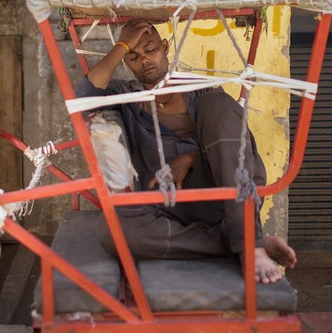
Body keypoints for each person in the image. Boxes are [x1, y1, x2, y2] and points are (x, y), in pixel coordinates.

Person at [76, 19, 297, 284]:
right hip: (166, 208)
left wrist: (188, 159)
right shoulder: (125, 96)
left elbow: (232, 143)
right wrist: (122, 44)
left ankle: (249, 242)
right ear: (125, 62)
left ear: (165, 47)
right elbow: (83, 97)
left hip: (223, 193)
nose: (145, 59)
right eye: (133, 56)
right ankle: (243, 240)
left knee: (218, 104)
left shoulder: (199, 90)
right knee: (111, 229)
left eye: (150, 49)